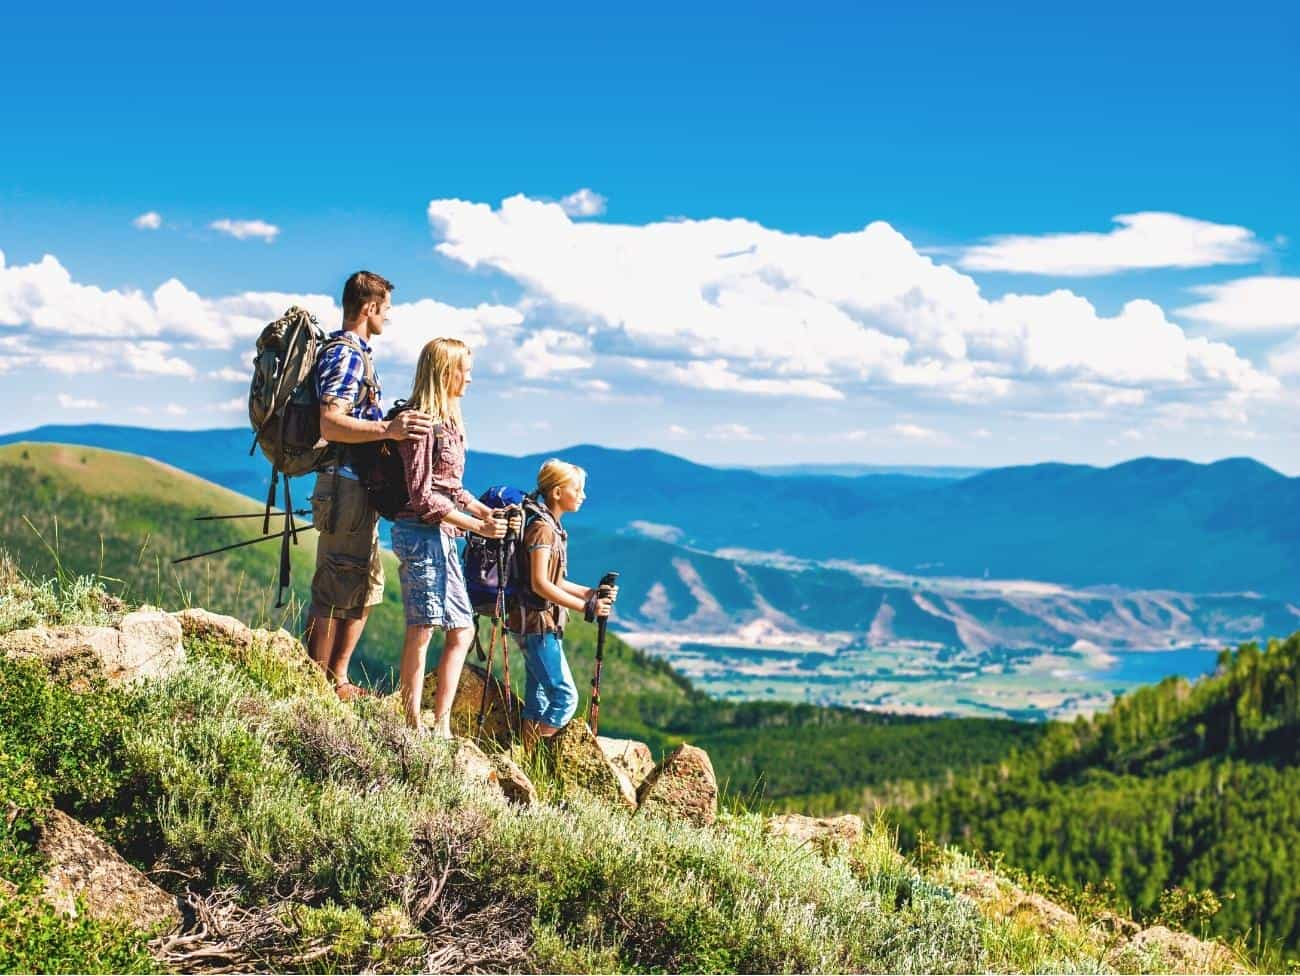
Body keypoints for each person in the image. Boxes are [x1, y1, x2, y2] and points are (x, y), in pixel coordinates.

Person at [305, 271, 432, 700]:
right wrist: (388, 430)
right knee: (335, 581)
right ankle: (316, 681)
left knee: (360, 582)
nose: (388, 319)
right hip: (344, 485)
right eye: (387, 310)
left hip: (356, 487)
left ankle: (334, 680)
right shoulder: (346, 355)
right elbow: (330, 422)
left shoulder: (358, 353)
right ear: (370, 308)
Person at [392, 337, 511, 735]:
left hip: (442, 535)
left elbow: (452, 486)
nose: (470, 379)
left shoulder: (451, 424)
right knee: (423, 626)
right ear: (446, 372)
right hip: (419, 532)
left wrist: (482, 512)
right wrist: (477, 526)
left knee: (462, 629)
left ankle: (440, 723)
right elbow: (422, 495)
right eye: (466, 370)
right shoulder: (421, 422)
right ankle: (411, 721)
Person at [510, 459, 618, 745]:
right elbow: (539, 583)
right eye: (577, 489)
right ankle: (534, 757)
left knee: (539, 698)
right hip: (537, 623)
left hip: (536, 622)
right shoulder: (543, 530)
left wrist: (590, 593)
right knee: (565, 697)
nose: (582, 495)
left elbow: (553, 581)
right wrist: (586, 607)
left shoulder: (550, 526)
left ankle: (527, 760)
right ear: (557, 492)